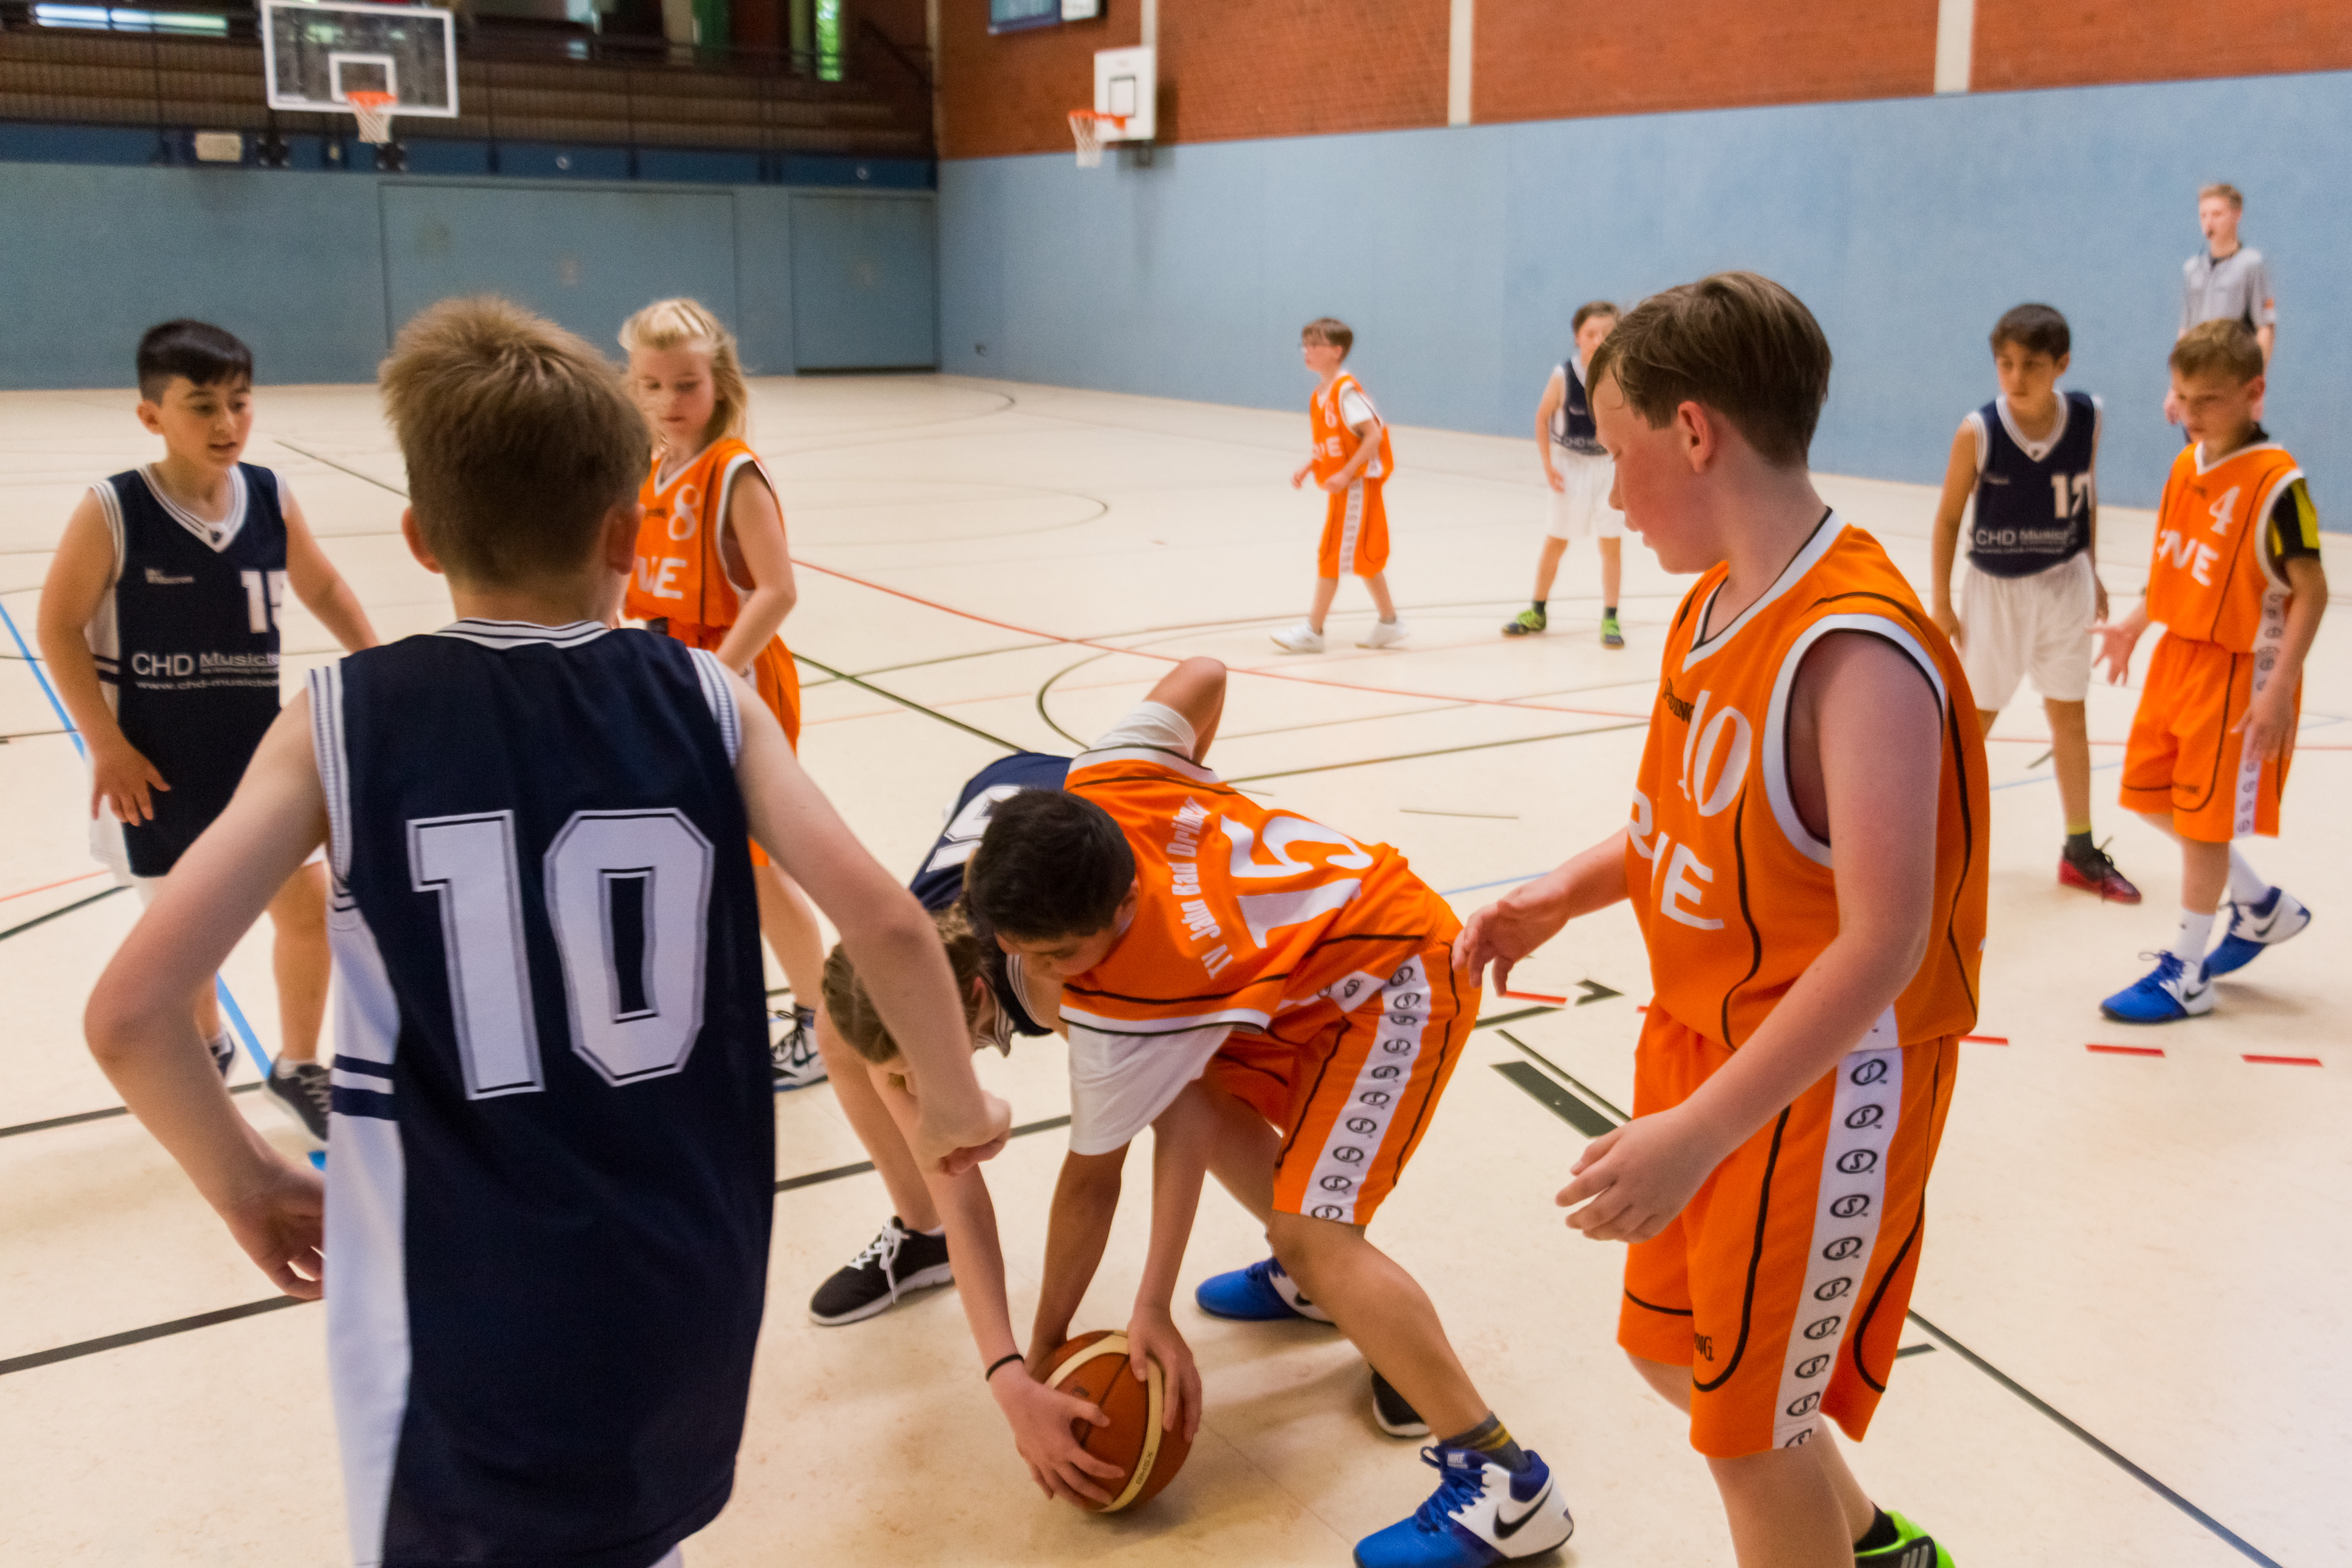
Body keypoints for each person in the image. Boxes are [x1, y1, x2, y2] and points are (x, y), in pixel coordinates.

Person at [82, 296, 1008, 1568]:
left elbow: (132, 1016)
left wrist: (246, 1180)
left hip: (457, 1290)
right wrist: (951, 1101)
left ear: (418, 537)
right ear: (627, 527)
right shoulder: (707, 694)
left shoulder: (343, 716)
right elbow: (892, 927)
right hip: (690, 1261)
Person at [1457, 273, 1981, 1568]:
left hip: (1822, 1078)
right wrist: (1561, 890)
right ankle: (1878, 1549)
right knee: (1671, 1355)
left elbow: (1884, 942)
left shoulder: (1856, 650)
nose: (1612, 496)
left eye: (1616, 452)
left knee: (1749, 1436)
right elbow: (1686, 825)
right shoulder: (1708, 603)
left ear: (1693, 432)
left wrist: (1698, 1132)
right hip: (1699, 1037)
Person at [968, 658, 1577, 1568]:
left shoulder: (1130, 1000)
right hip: (1310, 961)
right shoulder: (1109, 777)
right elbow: (1203, 675)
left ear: (1124, 902)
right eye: (1018, 948)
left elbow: (1092, 1181)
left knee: (1314, 1229)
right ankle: (1314, 1287)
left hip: (1398, 976)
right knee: (1213, 1092)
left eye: (1059, 953)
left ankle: (1507, 1483)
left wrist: (1045, 1349)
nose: (1040, 967)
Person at [37, 319, 377, 1145]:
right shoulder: (115, 508)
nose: (227, 422)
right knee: (191, 944)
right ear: (152, 415)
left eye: (240, 402)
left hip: (257, 759)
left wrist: (377, 668)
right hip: (155, 767)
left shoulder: (269, 494)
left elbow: (324, 586)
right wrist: (105, 743)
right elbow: (58, 626)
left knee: (311, 910)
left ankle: (298, 1064)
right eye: (202, 405)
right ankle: (210, 1038)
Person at [619, 297, 830, 1090]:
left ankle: (819, 1020)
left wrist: (711, 674)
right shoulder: (651, 470)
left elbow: (777, 591)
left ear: (719, 383)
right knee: (695, 852)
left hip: (737, 675)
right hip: (673, 670)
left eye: (686, 384)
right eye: (651, 385)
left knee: (756, 863)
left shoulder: (733, 470)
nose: (668, 401)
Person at [2093, 320, 2325, 1023]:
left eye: (2209, 400)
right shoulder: (2185, 463)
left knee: (2203, 825)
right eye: (2182, 398)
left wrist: (2278, 691)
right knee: (2148, 796)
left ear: (2254, 392)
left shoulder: (2279, 484)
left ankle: (2187, 972)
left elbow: (2312, 591)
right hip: (2177, 656)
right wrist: (2134, 625)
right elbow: (2175, 562)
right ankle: (2258, 905)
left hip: (2238, 670)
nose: (2190, 414)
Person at [805, 749, 1070, 1326]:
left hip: (1081, 813)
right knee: (838, 1026)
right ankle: (926, 1237)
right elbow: (959, 1179)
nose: (906, 1081)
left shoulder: (1059, 969)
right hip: (1009, 785)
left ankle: (1284, 1237)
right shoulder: (903, 971)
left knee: (1190, 1080)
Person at [1928, 303, 2137, 902]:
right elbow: (1948, 520)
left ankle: (2080, 850)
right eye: (2006, 364)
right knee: (1976, 723)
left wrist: (2091, 569)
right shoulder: (1979, 431)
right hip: (1997, 591)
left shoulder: (2088, 418)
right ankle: (1925, 843)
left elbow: (2086, 496)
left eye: (2032, 366)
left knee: (2069, 714)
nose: (2016, 378)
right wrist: (1942, 601)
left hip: (2065, 583)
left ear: (2061, 365)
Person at [1273, 318, 1410, 653]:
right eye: (1305, 345)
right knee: (1362, 557)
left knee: (1331, 555)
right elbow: (1336, 442)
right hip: (1344, 487)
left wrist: (1347, 474)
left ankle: (1313, 631)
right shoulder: (1320, 395)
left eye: (1315, 345)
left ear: (1336, 351)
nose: (1307, 351)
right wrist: (1312, 466)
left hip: (1357, 487)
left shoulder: (1345, 392)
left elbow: (1373, 435)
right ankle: (1390, 622)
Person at [1504, 302, 1627, 647]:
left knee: (1611, 545)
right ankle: (1537, 611)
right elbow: (1542, 417)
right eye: (1591, 334)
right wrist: (1548, 465)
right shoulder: (1563, 375)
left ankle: (1611, 618)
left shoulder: (1622, 374)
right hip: (1570, 466)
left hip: (1608, 468)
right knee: (1556, 541)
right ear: (1577, 337)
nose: (1599, 340)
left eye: (1607, 334)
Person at [2165, 183, 2275, 427]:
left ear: (2237, 215)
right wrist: (2175, 387)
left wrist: (2257, 387)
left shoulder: (2251, 265)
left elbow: (2265, 329)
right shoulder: (2192, 269)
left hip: (2232, 379)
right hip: (2196, 380)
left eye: (2217, 214)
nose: (2209, 222)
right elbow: (2185, 331)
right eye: (2203, 215)